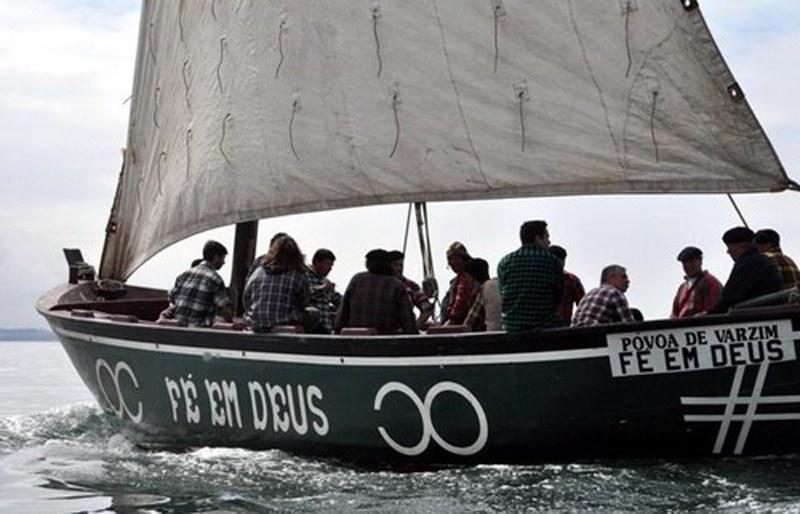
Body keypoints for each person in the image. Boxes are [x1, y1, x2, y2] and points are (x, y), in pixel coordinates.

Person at [497, 220, 564, 332]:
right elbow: (559, 296)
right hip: (545, 326)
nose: (549, 242)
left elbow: (502, 294)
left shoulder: (504, 262)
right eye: (547, 237)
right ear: (538, 238)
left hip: (512, 327)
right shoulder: (553, 261)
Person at [334, 249, 418, 335]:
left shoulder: (357, 280)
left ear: (368, 264)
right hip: (385, 341)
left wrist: (337, 333)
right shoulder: (396, 285)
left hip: (355, 339)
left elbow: (343, 313)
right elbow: (408, 321)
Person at [708, 226, 783, 314]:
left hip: (755, 316)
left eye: (730, 247)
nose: (728, 252)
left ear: (741, 246)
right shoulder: (763, 260)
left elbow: (729, 297)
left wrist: (708, 315)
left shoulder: (748, 263)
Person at [243, 235, 310, 332]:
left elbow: (246, 299)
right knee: (313, 314)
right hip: (285, 324)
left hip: (255, 324)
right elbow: (303, 302)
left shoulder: (257, 272)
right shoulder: (299, 276)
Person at [170, 241, 235, 327]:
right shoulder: (215, 279)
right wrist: (231, 324)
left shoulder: (184, 275)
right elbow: (225, 308)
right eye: (223, 258)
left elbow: (172, 298)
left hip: (178, 327)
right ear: (216, 257)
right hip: (200, 331)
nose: (224, 262)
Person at [572, 265, 636, 327]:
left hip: (574, 334)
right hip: (595, 334)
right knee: (636, 314)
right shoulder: (614, 293)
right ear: (611, 277)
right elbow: (629, 325)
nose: (628, 281)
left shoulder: (589, 294)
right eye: (624, 277)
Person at [670, 246, 723, 318]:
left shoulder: (710, 282)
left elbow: (714, 311)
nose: (688, 265)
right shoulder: (682, 288)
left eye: (692, 261)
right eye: (685, 262)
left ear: (700, 261)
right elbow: (674, 313)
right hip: (682, 327)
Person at [387, 250, 434, 328]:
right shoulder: (382, 285)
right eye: (395, 265)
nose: (399, 268)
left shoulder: (411, 286)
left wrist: (415, 326)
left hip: (404, 330)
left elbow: (427, 308)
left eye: (401, 265)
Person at [307, 248, 342, 333]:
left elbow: (336, 299)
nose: (330, 268)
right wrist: (322, 289)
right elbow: (303, 294)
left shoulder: (325, 281)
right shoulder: (304, 276)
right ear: (317, 262)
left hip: (326, 327)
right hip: (310, 329)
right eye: (327, 264)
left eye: (331, 265)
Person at [461, 258, 502, 332]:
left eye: (466, 276)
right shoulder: (497, 284)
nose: (466, 280)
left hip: (491, 335)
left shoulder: (484, 289)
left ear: (472, 276)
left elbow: (469, 323)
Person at [441, 242, 477, 325]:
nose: (452, 262)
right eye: (450, 259)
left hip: (459, 325)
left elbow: (460, 304)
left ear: (464, 259)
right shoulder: (456, 281)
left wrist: (450, 322)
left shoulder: (467, 278)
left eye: (456, 259)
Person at [549, 245, 586, 324]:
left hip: (547, 327)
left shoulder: (571, 280)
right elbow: (584, 305)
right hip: (562, 327)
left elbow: (583, 304)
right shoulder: (571, 279)